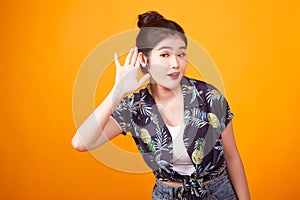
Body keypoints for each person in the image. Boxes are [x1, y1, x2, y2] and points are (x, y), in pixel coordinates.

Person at [72, 11, 250, 200]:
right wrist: (118, 92)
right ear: (143, 59)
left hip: (218, 193)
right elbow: (80, 143)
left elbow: (232, 157)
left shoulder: (209, 96)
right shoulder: (135, 108)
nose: (175, 63)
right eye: (165, 54)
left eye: (181, 54)